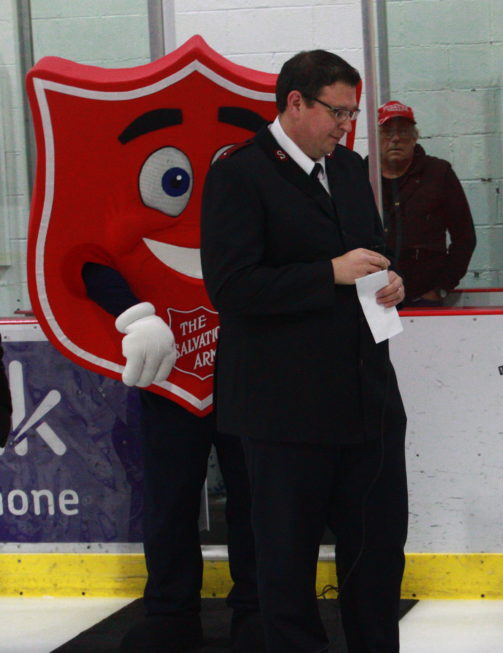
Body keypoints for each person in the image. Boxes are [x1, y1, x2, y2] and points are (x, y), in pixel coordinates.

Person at [200, 49, 408, 653]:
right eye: (337, 112)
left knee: (376, 554)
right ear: (295, 103)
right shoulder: (239, 174)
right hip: (283, 411)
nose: (346, 126)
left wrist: (387, 280)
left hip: (366, 401)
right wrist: (330, 274)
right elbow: (232, 287)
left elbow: (366, 254)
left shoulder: (347, 169)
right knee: (285, 566)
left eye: (352, 114)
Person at [77, 265, 261, 653]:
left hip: (249, 363)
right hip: (169, 375)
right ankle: (170, 611)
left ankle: (259, 607)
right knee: (167, 501)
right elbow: (90, 260)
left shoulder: (245, 208)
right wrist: (133, 315)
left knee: (256, 498)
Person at [376, 100, 476, 306]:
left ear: (415, 138)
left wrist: (441, 288)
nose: (395, 139)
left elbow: (465, 237)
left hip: (423, 297)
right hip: (375, 298)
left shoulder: (439, 173)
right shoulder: (362, 175)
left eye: (403, 132)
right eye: (387, 132)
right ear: (377, 138)